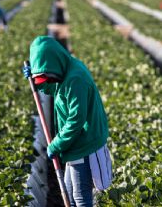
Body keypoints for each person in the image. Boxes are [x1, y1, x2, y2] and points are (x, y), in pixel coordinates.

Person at [23, 36, 112, 206]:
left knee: (80, 197)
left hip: (84, 144)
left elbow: (76, 120)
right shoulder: (65, 70)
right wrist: (36, 81)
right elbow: (55, 88)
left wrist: (56, 145)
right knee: (70, 193)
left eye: (45, 76)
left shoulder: (75, 79)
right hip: (74, 143)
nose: (46, 80)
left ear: (54, 64)